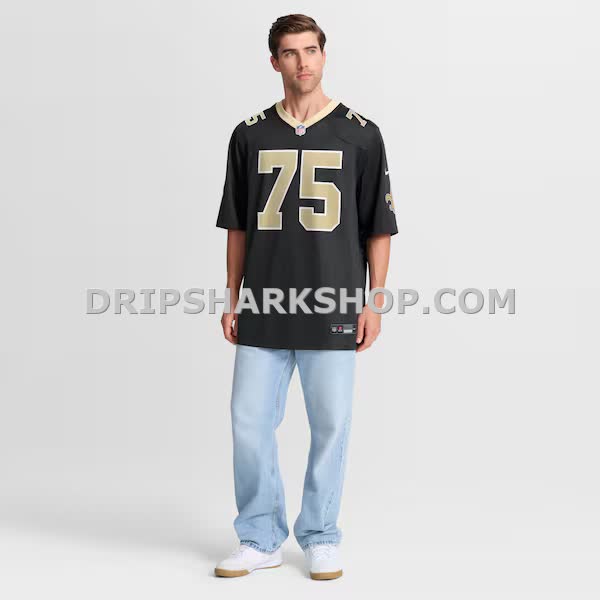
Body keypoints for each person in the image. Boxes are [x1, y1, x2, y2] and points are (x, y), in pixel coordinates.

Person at [214, 14, 398, 580]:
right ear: (275, 62)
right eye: (291, 53)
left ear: (324, 55)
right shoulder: (249, 134)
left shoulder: (361, 134)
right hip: (264, 304)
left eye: (311, 50)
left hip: (333, 304)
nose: (303, 62)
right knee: (248, 422)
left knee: (331, 426)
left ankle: (320, 535)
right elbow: (238, 226)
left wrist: (374, 301)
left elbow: (378, 228)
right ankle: (260, 536)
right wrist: (233, 298)